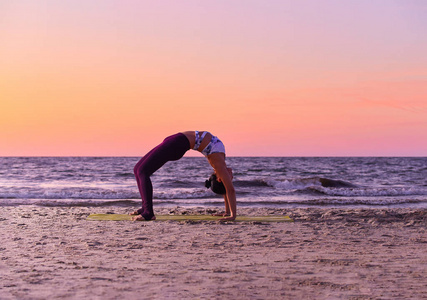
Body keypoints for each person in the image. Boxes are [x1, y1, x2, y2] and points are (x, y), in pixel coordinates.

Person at [130, 131, 236, 221]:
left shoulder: (218, 164)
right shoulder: (220, 162)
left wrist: (232, 216)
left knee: (142, 171)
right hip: (176, 141)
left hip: (177, 144)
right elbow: (226, 189)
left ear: (220, 179)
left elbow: (230, 190)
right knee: (137, 169)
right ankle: (145, 207)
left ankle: (148, 213)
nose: (231, 177)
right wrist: (227, 212)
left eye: (229, 179)